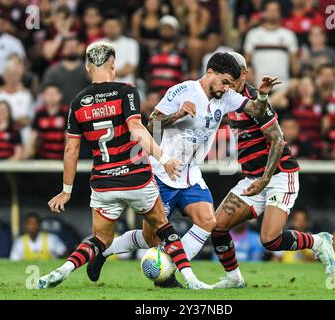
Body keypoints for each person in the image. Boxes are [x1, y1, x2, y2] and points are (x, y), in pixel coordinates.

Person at [89, 52, 278, 284]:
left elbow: (257, 111)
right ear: (210, 73)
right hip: (164, 171)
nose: (228, 88)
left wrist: (262, 93)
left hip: (191, 175)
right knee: (151, 240)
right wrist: (178, 114)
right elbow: (152, 123)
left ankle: (169, 271)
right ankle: (104, 251)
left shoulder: (225, 96)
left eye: (230, 83)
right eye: (225, 81)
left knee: (209, 221)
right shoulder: (182, 91)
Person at [37, 41, 211, 290]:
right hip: (136, 177)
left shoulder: (78, 102)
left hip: (103, 182)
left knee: (100, 239)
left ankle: (62, 269)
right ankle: (192, 281)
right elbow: (137, 129)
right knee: (163, 228)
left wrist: (66, 190)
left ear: (87, 67)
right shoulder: (126, 91)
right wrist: (163, 158)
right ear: (113, 64)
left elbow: (71, 149)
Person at [208, 53, 335, 288]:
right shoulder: (225, 98)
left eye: (231, 77)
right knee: (217, 227)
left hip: (278, 175)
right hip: (252, 178)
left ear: (243, 74)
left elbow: (278, 141)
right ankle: (234, 279)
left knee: (270, 239)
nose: (227, 84)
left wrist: (265, 179)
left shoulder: (255, 101)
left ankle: (319, 242)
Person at [243, 0, 299, 87]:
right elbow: (246, 63)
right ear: (263, 13)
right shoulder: (253, 34)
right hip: (258, 84)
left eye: (276, 10)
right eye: (270, 10)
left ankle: (271, 100)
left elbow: (295, 66)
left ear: (280, 13)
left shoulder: (289, 35)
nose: (273, 13)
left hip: (282, 85)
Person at [41, 37, 90, 106]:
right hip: (61, 113)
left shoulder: (88, 71)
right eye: (68, 47)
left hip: (84, 111)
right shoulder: (52, 71)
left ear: (80, 49)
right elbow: (45, 95)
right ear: (62, 50)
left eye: (74, 46)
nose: (71, 49)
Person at [25, 84, 68, 160]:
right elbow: (33, 136)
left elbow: (68, 138)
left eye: (54, 94)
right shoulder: (39, 113)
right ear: (43, 96)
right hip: (42, 157)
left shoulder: (66, 112)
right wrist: (28, 155)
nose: (51, 97)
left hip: (61, 158)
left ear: (60, 96)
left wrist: (67, 158)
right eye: (48, 94)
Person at [102, 13, 139, 84]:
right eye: (108, 26)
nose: (111, 29)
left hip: (125, 87)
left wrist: (103, 74)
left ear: (120, 27)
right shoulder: (95, 45)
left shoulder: (131, 43)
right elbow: (90, 72)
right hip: (102, 90)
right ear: (103, 27)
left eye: (114, 26)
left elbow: (130, 68)